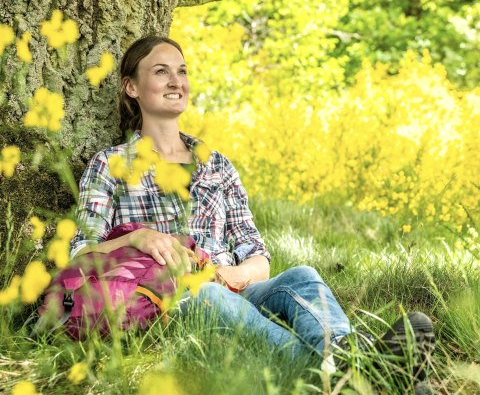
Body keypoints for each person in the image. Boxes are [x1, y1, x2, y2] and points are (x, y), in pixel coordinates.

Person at [69, 35, 435, 385]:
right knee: (205, 294)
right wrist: (140, 236)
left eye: (182, 71)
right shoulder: (110, 164)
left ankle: (349, 362)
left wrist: (234, 275)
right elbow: (79, 255)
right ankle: (363, 375)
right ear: (131, 87)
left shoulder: (217, 166)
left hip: (232, 289)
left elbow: (258, 254)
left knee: (303, 275)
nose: (176, 81)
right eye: (161, 71)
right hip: (169, 301)